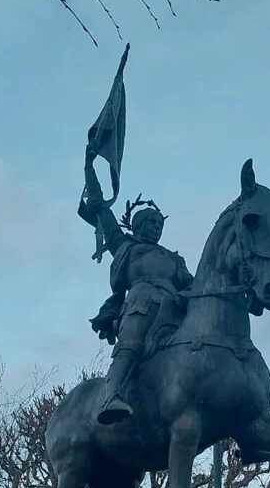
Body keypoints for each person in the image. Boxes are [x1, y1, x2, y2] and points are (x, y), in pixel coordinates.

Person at [81, 143, 193, 425]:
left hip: (175, 309)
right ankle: (111, 395)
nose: (156, 227)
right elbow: (100, 208)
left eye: (159, 224)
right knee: (131, 343)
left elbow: (194, 285)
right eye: (151, 222)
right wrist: (89, 167)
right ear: (138, 225)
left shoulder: (173, 258)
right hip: (142, 304)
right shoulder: (125, 245)